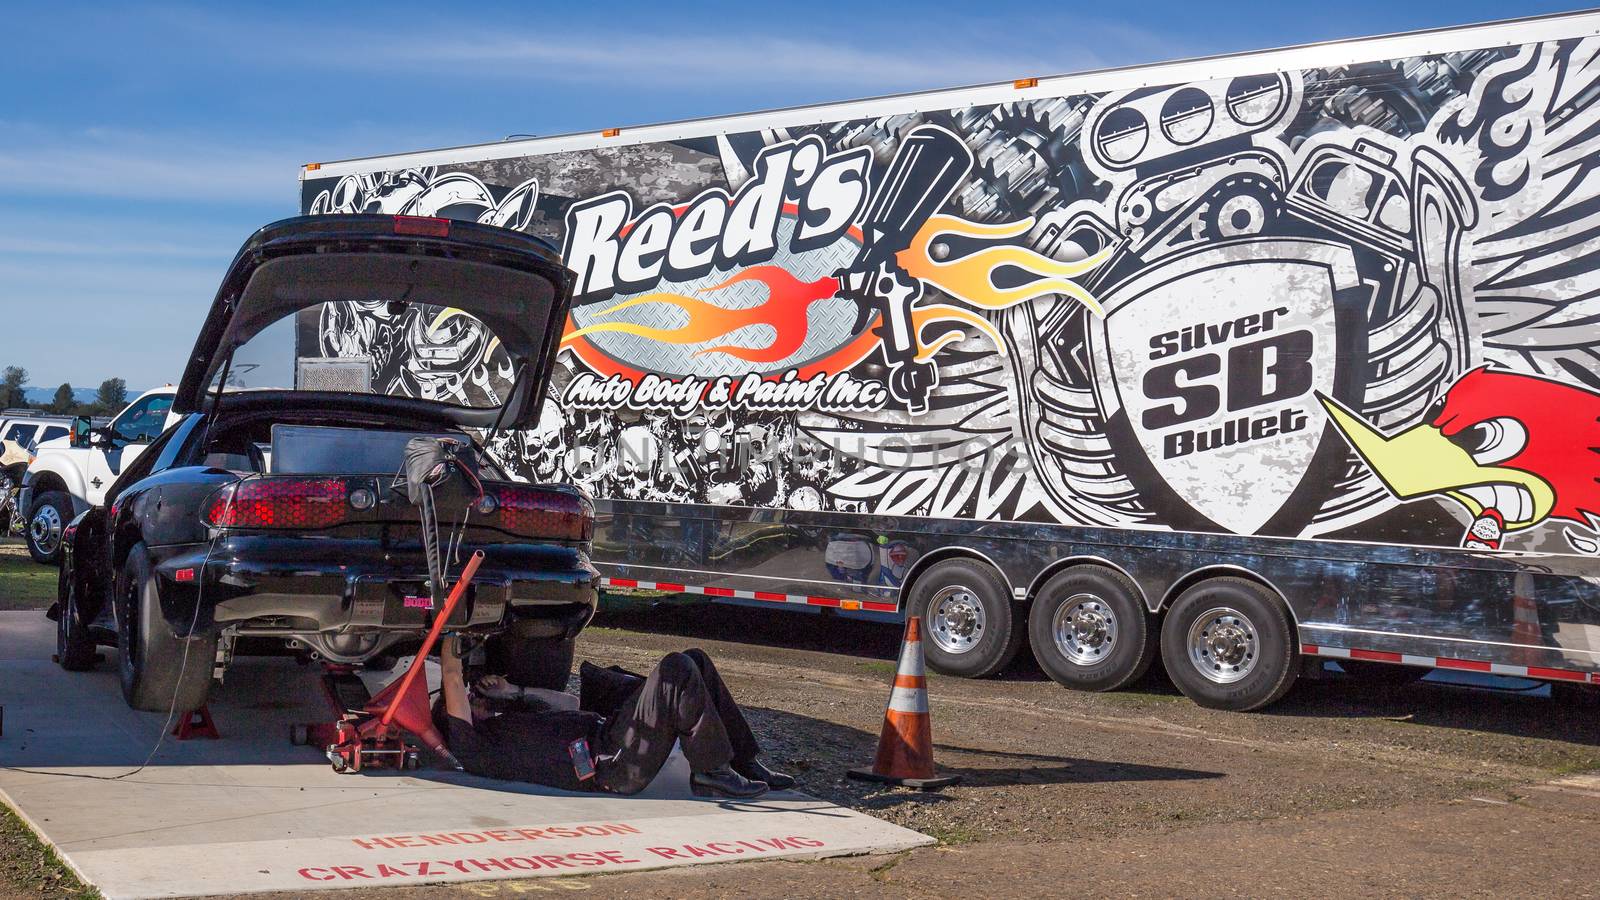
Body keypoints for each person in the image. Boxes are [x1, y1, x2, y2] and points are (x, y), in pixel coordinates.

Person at [437, 637, 794, 799]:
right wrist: (450, 630)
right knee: (675, 668)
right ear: (459, 717)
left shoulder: (510, 720)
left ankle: (743, 762)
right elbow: (452, 677)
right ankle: (710, 771)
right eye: (469, 700)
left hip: (612, 734)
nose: (473, 695)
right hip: (613, 767)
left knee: (694, 659)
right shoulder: (474, 749)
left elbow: (568, 700)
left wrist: (511, 693)